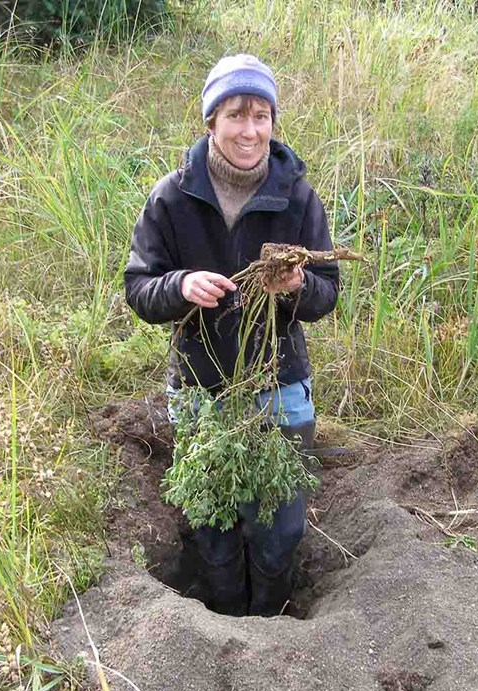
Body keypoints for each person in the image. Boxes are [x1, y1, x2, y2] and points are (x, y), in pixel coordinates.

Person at [124, 54, 339, 617]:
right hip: (200, 385)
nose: (250, 130)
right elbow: (139, 289)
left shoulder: (297, 197)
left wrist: (295, 286)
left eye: (261, 115)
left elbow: (327, 293)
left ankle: (269, 614)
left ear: (273, 122)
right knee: (213, 524)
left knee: (280, 525)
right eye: (236, 114)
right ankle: (221, 617)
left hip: (279, 384)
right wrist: (180, 285)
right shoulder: (171, 198)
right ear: (211, 122)